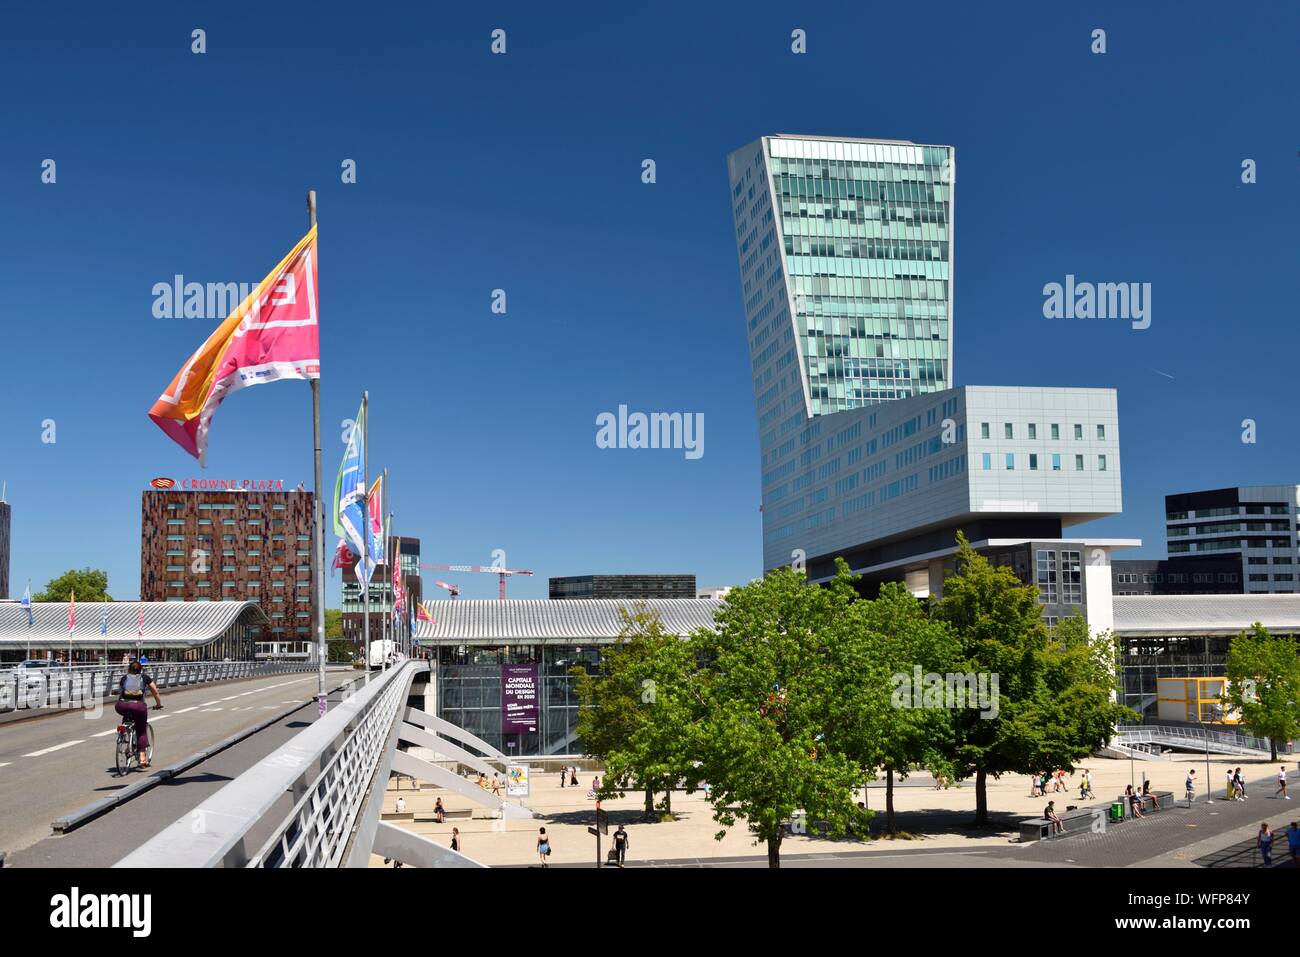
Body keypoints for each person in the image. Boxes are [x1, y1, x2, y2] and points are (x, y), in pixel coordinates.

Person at [115, 659, 162, 768]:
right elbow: (155, 691)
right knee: (141, 730)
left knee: (127, 716)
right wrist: (158, 704)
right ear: (141, 670)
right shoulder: (145, 678)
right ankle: (142, 758)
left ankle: (124, 732)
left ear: (129, 669)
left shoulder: (124, 678)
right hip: (138, 706)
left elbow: (121, 692)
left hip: (121, 706)